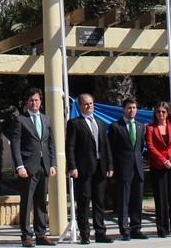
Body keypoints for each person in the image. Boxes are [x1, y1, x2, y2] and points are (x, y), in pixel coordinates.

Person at [9, 87, 57, 247]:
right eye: (31, 100)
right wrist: (19, 166)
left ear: (40, 102)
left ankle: (41, 234)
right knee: (27, 202)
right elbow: (15, 145)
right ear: (26, 102)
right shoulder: (20, 120)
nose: (34, 102)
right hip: (27, 168)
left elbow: (51, 144)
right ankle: (26, 236)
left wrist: (53, 164)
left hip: (44, 167)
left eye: (36, 100)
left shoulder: (46, 119)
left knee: (41, 202)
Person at [67, 94, 113, 244]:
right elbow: (70, 147)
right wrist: (72, 166)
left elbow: (106, 146)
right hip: (84, 169)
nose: (89, 106)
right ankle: (85, 235)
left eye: (91, 103)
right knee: (84, 203)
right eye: (85, 104)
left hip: (100, 168)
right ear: (80, 106)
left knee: (99, 202)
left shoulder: (100, 123)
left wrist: (110, 166)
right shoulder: (74, 123)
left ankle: (100, 233)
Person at [106, 97, 146, 240]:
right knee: (124, 200)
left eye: (134, 108)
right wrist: (111, 167)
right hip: (123, 168)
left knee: (137, 199)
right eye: (129, 108)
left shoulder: (141, 126)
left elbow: (140, 148)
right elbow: (110, 149)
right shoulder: (116, 127)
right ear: (124, 109)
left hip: (138, 168)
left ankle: (136, 229)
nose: (132, 110)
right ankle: (125, 230)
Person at [145, 101, 171, 238]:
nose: (161, 114)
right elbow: (150, 146)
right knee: (161, 199)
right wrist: (163, 160)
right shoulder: (150, 128)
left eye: (163, 112)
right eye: (158, 112)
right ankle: (163, 229)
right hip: (158, 167)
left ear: (167, 113)